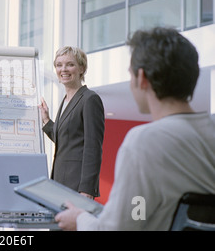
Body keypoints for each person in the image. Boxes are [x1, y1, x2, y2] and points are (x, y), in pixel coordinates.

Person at [55, 27, 215, 231]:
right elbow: (138, 210)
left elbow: (122, 227)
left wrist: (79, 220)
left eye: (130, 75)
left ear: (142, 78)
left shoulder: (144, 143)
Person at [39, 47, 105, 199]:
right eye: (59, 65)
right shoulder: (65, 101)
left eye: (70, 64)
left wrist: (87, 190)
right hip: (60, 182)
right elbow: (67, 140)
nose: (63, 69)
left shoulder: (89, 99)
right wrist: (47, 121)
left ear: (81, 68)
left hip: (77, 186)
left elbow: (93, 148)